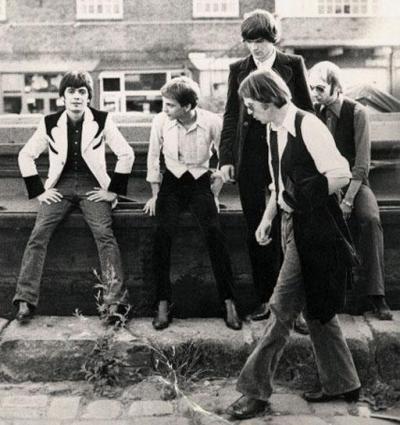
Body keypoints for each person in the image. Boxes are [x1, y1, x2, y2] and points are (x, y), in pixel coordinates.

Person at [226, 69, 361, 420]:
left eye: (251, 105)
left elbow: (340, 174)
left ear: (269, 98)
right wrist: (267, 218)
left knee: (281, 307)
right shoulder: (272, 130)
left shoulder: (308, 125)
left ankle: (253, 391)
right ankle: (343, 382)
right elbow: (278, 185)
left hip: (314, 227)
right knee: (317, 305)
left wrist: (301, 199)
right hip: (289, 224)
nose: (249, 111)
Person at [219, 9, 314, 332]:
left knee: (291, 227)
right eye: (249, 41)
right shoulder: (238, 69)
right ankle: (265, 298)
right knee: (255, 228)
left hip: (286, 153)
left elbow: (306, 111)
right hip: (250, 158)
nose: (255, 48)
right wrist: (226, 158)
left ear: (273, 39)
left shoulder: (293, 65)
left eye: (260, 41)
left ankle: (294, 306)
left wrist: (303, 158)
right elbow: (231, 115)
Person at [14, 71, 134, 324]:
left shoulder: (102, 120)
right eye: (71, 91)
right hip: (60, 186)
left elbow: (126, 153)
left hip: (93, 186)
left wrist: (112, 190)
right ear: (62, 97)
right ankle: (25, 299)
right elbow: (25, 155)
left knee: (104, 233)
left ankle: (115, 302)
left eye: (82, 92)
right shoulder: (49, 122)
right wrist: (40, 191)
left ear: (89, 97)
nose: (77, 97)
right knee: (39, 233)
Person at [144, 76, 241, 331]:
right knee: (161, 234)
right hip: (172, 182)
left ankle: (229, 302)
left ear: (187, 106)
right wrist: (155, 194)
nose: (165, 109)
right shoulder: (160, 121)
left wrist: (216, 191)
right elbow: (153, 157)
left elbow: (225, 158)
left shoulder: (211, 121)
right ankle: (162, 302)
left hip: (200, 182)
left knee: (214, 233)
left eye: (170, 105)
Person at [309, 61, 392, 320]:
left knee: (370, 219)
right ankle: (330, 295)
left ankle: (376, 295)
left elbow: (362, 164)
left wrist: (348, 200)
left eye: (320, 88)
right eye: (312, 88)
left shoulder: (357, 112)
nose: (315, 94)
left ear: (336, 87)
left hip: (355, 183)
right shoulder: (313, 114)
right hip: (327, 183)